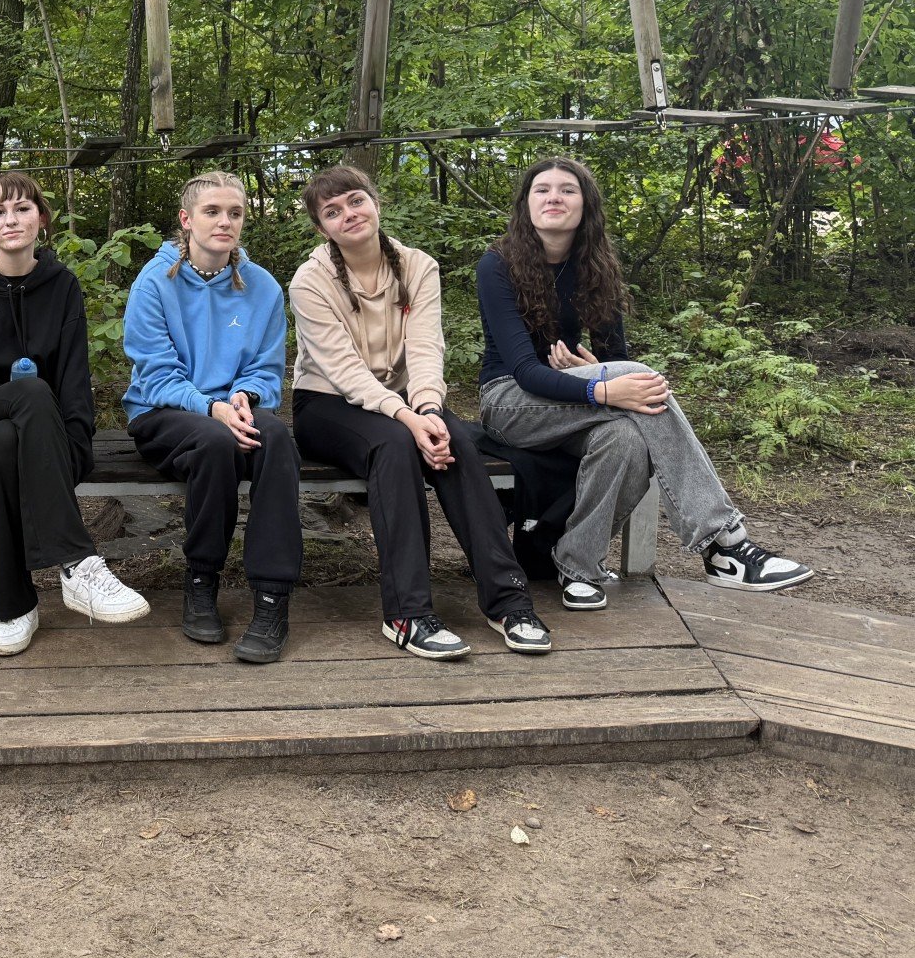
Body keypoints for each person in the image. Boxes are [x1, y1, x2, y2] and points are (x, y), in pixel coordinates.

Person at [477, 156, 811, 609]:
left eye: (567, 189)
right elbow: (523, 371)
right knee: (638, 379)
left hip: (571, 402)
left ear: (585, 205)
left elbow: (615, 359)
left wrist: (594, 368)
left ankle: (577, 564)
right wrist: (599, 387)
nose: (554, 197)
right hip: (508, 404)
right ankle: (724, 542)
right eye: (542, 189)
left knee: (626, 440)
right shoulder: (497, 265)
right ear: (526, 204)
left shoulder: (596, 266)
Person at [289, 166, 551, 658]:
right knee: (392, 444)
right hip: (328, 404)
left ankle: (508, 602)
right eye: (332, 211)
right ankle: (407, 614)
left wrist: (429, 407)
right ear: (322, 229)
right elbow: (343, 370)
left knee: (458, 446)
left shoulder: (417, 266)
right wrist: (409, 419)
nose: (349, 214)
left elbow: (427, 347)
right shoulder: (310, 281)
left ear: (375, 202)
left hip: (410, 396)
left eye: (356, 200)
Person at [0, 171, 148, 656]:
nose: (11, 220)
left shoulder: (62, 285)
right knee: (27, 395)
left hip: (41, 436)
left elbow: (74, 376)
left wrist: (75, 445)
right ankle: (77, 561)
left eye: (22, 208)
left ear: (42, 218)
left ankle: (12, 608)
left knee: (10, 440)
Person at [123, 170, 303, 662]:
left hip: (234, 408)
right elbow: (156, 374)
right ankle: (202, 579)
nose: (225, 221)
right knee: (215, 441)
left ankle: (272, 597)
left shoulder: (263, 287)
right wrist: (211, 407)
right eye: (212, 211)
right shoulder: (154, 283)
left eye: (235, 213)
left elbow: (267, 368)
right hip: (163, 413)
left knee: (277, 438)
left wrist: (244, 395)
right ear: (187, 220)